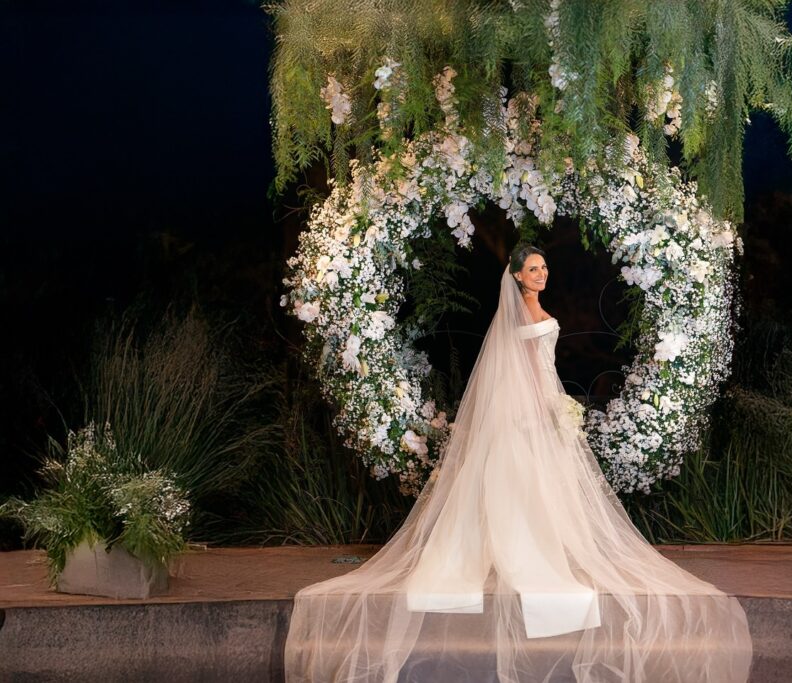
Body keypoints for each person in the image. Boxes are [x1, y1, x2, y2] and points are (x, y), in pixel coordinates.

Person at [285, 244, 753, 682]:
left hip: (534, 406)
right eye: (534, 269)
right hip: (527, 410)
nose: (542, 274)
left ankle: (522, 547)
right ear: (516, 276)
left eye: (545, 268)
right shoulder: (522, 314)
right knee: (523, 482)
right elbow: (529, 370)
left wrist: (554, 405)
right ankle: (517, 553)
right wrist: (549, 409)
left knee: (529, 485)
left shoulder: (525, 311)